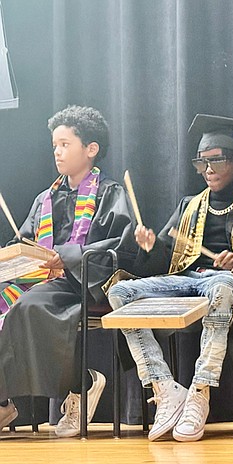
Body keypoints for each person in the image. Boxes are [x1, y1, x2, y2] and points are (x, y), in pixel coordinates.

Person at [107, 114, 233, 442]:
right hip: (184, 280)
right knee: (120, 294)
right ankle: (165, 387)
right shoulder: (188, 205)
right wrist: (151, 245)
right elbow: (164, 259)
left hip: (225, 284)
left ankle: (200, 391)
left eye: (217, 161)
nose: (208, 170)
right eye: (202, 163)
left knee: (223, 285)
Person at [0, 105, 136, 437]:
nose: (58, 153)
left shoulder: (110, 193)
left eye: (65, 144)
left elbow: (118, 246)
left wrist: (65, 257)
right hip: (42, 280)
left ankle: (82, 383)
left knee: (30, 307)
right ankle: (4, 404)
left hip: (84, 281)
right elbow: (26, 241)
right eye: (55, 146)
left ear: (91, 149)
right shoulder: (45, 198)